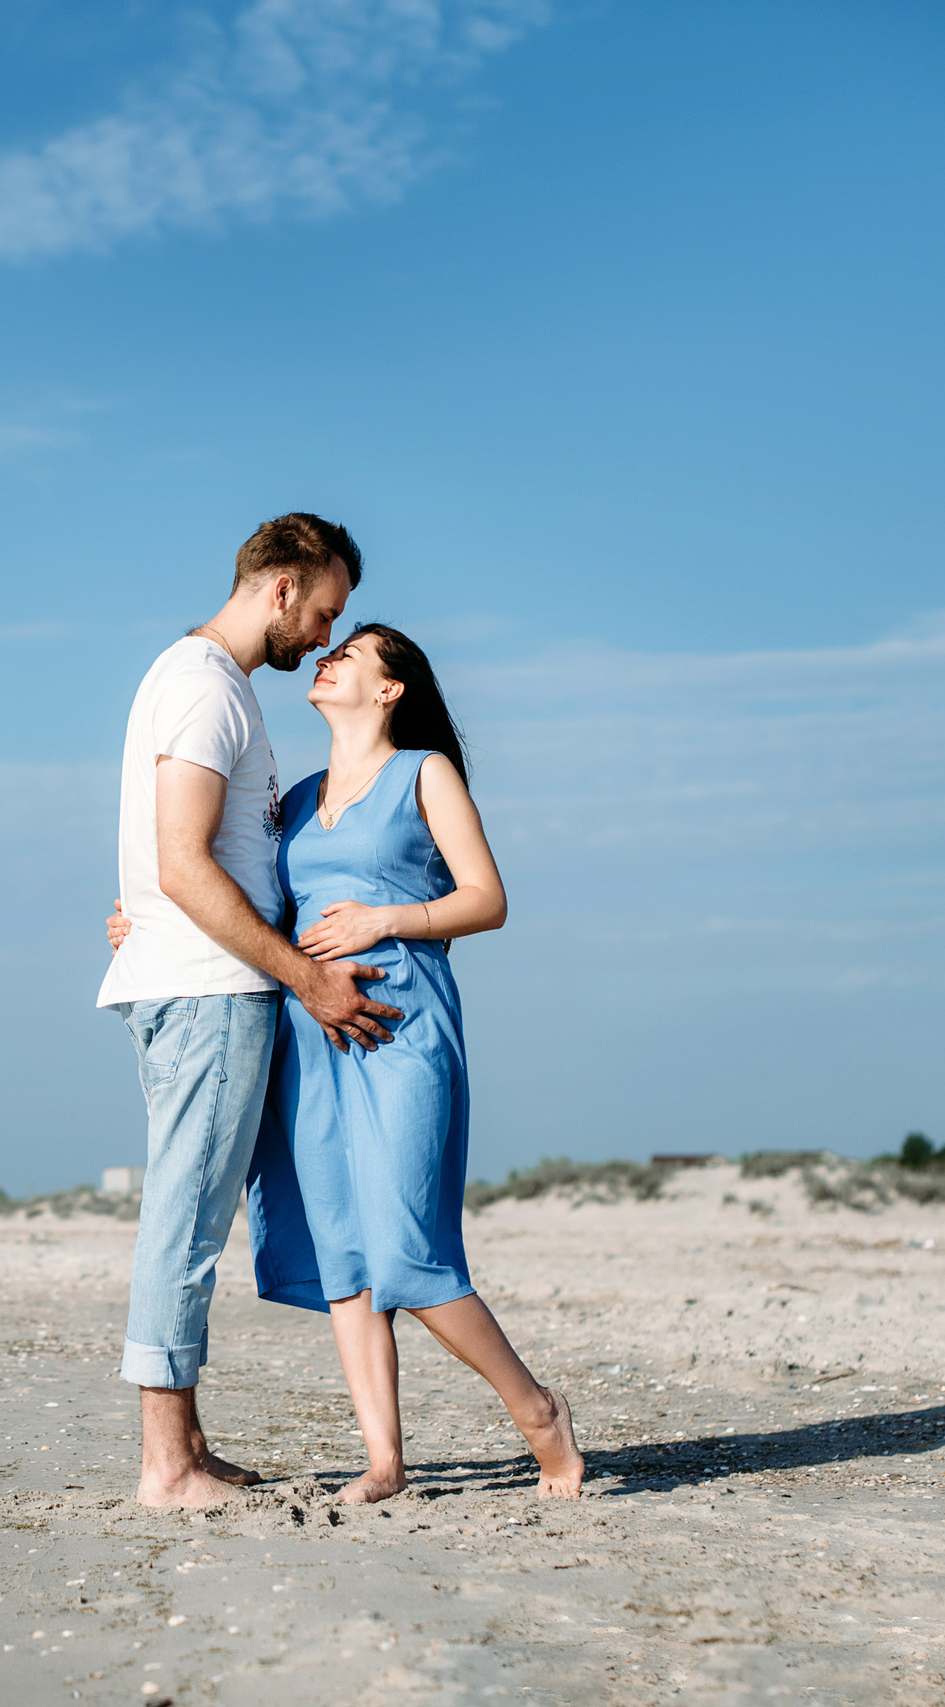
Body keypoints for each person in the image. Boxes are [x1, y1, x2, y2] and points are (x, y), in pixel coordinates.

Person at [109, 623, 583, 1500]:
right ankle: (384, 1459)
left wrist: (380, 919)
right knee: (345, 1254)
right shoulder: (296, 800)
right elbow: (234, 885)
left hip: (402, 1024)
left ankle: (538, 1411)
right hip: (314, 1033)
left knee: (411, 1247)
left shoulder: (423, 773)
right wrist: (141, 919)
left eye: (350, 653)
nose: (326, 658)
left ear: (392, 688)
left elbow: (487, 898)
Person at [98, 514, 403, 1510]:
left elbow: (181, 859)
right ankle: (166, 1465)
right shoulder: (200, 686)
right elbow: (186, 862)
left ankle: (183, 1445)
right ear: (281, 588)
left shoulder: (207, 686)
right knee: (183, 1221)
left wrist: (142, 913)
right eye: (322, 613)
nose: (322, 638)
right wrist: (308, 977)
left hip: (189, 974)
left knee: (190, 1215)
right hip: (205, 988)